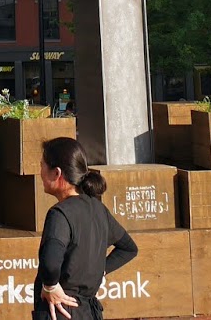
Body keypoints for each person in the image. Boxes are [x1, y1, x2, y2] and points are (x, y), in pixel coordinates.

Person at [34, 136, 138, 320]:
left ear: (57, 173)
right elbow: (129, 248)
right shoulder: (98, 208)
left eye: (42, 165)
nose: (40, 171)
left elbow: (50, 264)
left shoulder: (59, 214)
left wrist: (50, 286)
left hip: (61, 311)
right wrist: (100, 269)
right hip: (88, 313)